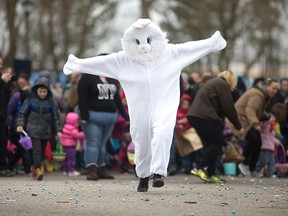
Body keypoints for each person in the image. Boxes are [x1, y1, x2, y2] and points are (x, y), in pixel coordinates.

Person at [63, 19, 227, 192]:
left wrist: (212, 43)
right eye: (137, 42)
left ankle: (158, 173)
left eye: (148, 41)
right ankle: (143, 176)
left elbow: (191, 48)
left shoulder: (171, 54)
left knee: (163, 134)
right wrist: (77, 64)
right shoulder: (123, 60)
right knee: (142, 142)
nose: (143, 46)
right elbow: (102, 62)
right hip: (139, 108)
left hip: (164, 105)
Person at [187, 70, 244, 183]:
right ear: (232, 79)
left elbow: (219, 108)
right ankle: (199, 168)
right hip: (204, 117)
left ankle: (211, 174)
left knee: (211, 145)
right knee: (219, 143)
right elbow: (228, 107)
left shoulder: (214, 83)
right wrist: (238, 126)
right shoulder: (222, 84)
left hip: (196, 116)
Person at [77, 73, 129, 181]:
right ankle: (91, 170)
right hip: (92, 117)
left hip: (110, 118)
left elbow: (117, 99)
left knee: (102, 144)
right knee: (93, 143)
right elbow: (82, 97)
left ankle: (101, 169)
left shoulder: (111, 78)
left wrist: (126, 116)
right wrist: (84, 116)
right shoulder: (87, 77)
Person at [227, 78, 279, 176]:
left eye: (277, 89)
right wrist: (255, 124)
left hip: (246, 120)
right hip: (240, 119)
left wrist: (266, 116)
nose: (275, 91)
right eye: (273, 88)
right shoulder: (257, 94)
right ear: (267, 87)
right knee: (254, 140)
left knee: (257, 142)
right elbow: (250, 110)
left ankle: (251, 168)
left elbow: (257, 110)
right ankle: (245, 164)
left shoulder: (263, 95)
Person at [16, 77, 62, 180]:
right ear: (36, 89)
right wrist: (20, 124)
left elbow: (56, 117)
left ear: (48, 91)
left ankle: (34, 168)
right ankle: (38, 169)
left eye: (44, 91)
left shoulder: (51, 102)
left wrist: (58, 130)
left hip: (46, 131)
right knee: (36, 150)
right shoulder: (30, 100)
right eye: (40, 91)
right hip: (33, 129)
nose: (42, 93)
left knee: (41, 151)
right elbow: (22, 113)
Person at [7, 73, 32, 174]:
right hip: (16, 124)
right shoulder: (17, 95)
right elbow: (9, 110)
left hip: (26, 124)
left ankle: (10, 166)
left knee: (21, 148)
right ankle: (28, 169)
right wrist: (10, 124)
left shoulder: (30, 93)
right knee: (23, 147)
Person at [0, 63, 14, 177]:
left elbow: (6, 97)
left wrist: (8, 83)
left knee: (3, 143)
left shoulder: (3, 78)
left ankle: (3, 167)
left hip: (2, 116)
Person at [60, 112, 84, 176]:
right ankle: (71, 170)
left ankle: (66, 170)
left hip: (65, 145)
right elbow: (76, 135)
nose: (78, 124)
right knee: (71, 158)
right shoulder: (73, 128)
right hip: (70, 145)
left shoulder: (65, 126)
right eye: (77, 122)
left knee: (66, 158)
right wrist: (83, 134)